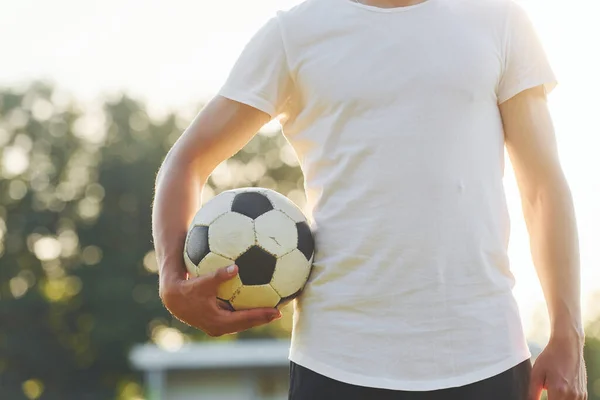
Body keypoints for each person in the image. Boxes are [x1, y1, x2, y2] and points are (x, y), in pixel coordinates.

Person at [151, 0, 588, 398]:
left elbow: (543, 189)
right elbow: (186, 162)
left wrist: (567, 335)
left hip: (487, 359)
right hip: (336, 364)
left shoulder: (500, 20)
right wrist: (173, 279)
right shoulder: (294, 34)